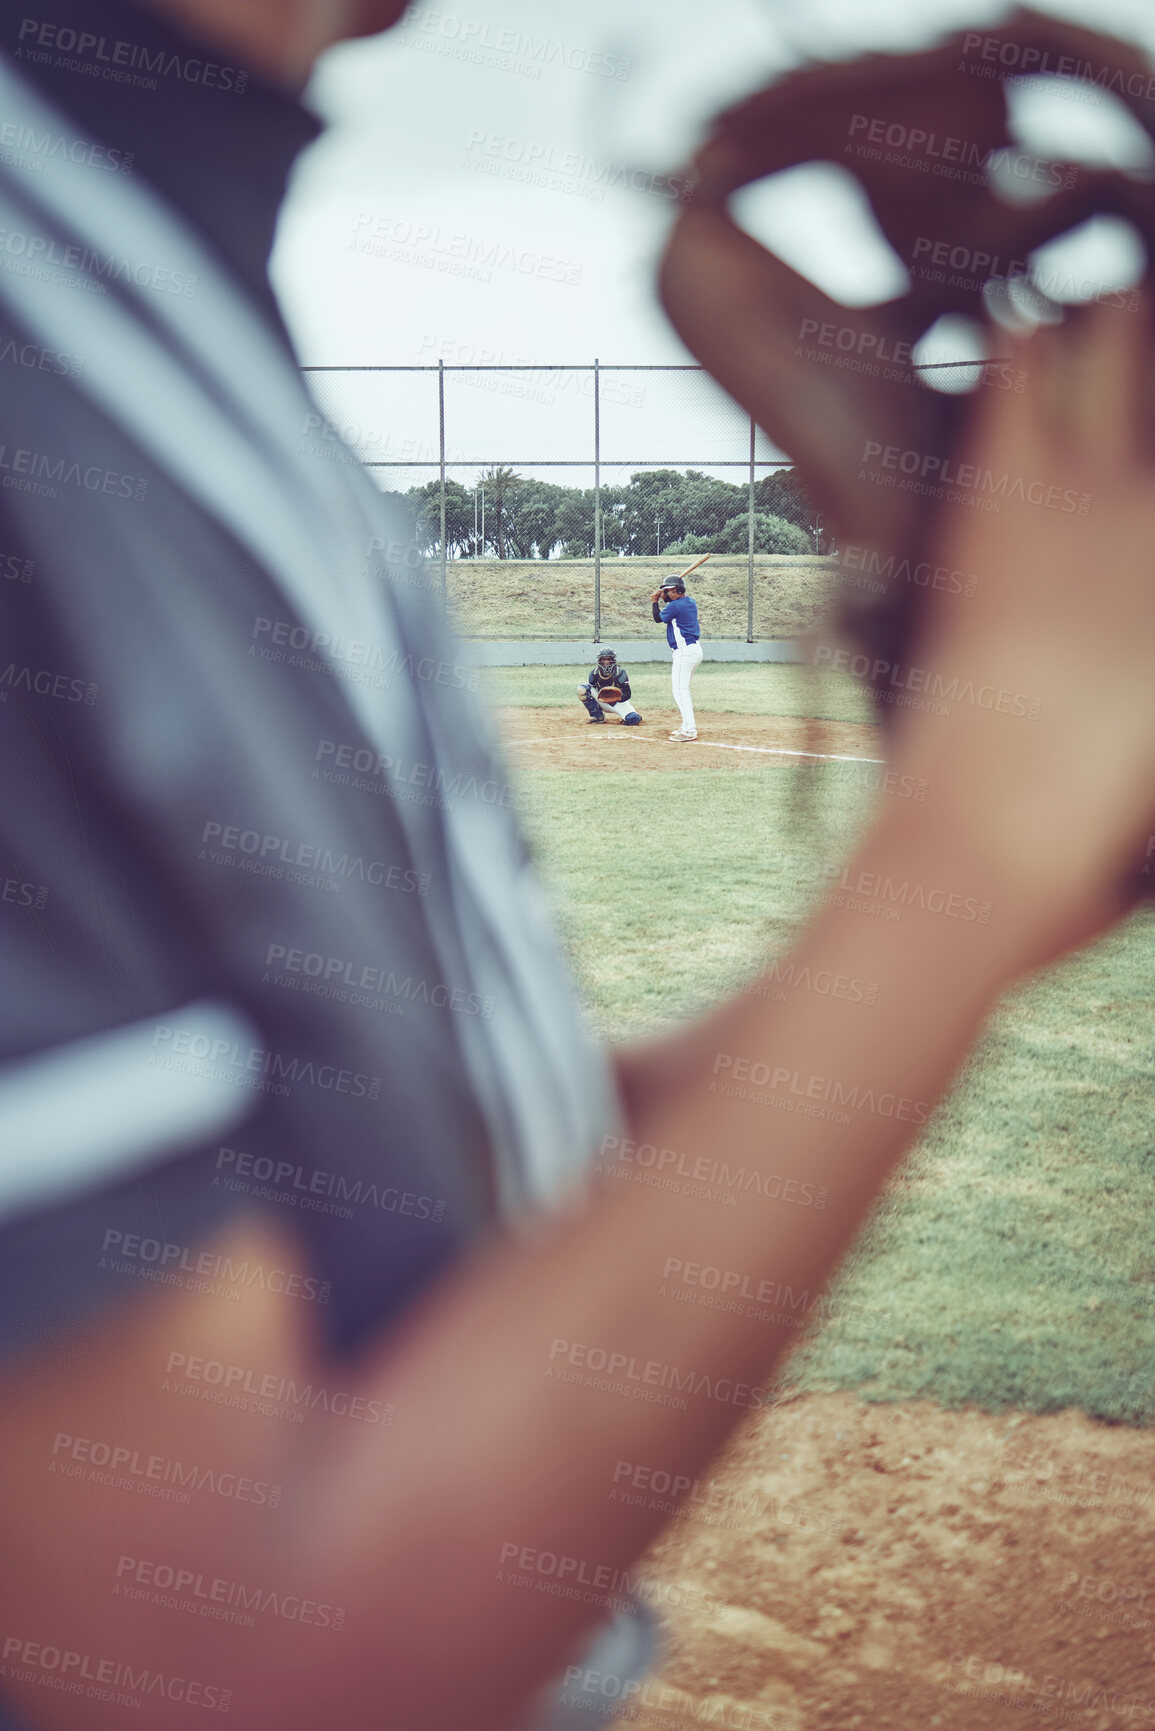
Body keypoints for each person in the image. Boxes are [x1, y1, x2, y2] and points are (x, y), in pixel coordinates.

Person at [2, 7, 1155, 1731]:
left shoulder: (155, 261)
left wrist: (1021, 868)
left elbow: (381, 1187)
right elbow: (226, 1666)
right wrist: (993, 800)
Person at [650, 565, 703, 741]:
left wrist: (654, 601)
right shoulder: (689, 602)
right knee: (681, 689)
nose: (665, 594)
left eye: (668, 591)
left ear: (676, 591)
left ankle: (689, 731)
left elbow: (658, 618)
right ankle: (686, 725)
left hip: (684, 653)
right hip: (694, 651)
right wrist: (663, 592)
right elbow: (669, 607)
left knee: (680, 691)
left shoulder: (676, 606)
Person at [578, 649, 643, 724]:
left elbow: (627, 694)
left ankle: (626, 716)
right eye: (603, 660)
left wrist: (616, 697)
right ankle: (597, 716)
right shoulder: (594, 673)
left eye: (609, 660)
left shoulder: (620, 673)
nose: (606, 663)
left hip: (617, 702)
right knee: (582, 689)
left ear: (613, 661)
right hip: (602, 701)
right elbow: (591, 690)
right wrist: (603, 697)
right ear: (599, 661)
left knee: (633, 719)